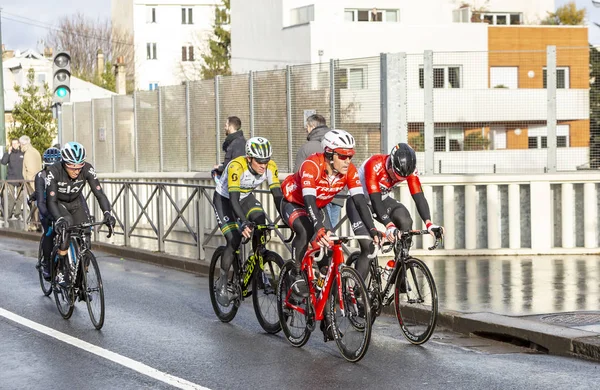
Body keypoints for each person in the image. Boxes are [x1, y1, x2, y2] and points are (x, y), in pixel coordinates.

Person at [280, 129, 381, 341]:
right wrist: (319, 230)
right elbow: (308, 201)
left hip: (319, 207)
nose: (347, 160)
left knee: (330, 263)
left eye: (350, 156)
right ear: (328, 154)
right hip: (294, 202)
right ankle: (296, 273)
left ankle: (328, 318)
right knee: (306, 230)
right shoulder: (311, 165)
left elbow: (360, 202)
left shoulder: (349, 171)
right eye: (342, 156)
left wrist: (372, 229)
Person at [347, 143, 443, 279]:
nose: (396, 180)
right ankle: (355, 295)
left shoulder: (410, 170)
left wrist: (429, 223)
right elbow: (375, 200)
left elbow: (419, 196)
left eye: (401, 179)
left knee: (405, 220)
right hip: (359, 202)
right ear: (391, 164)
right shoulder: (375, 164)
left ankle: (399, 273)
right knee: (369, 247)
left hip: (382, 199)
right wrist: (389, 225)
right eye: (395, 176)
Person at [212, 137, 283, 306]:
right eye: (259, 161)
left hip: (245, 198)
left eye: (266, 161)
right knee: (234, 239)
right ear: (249, 158)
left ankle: (256, 263)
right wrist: (243, 222)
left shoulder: (270, 167)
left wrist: (287, 217)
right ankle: (222, 281)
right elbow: (234, 200)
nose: (263, 165)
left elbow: (277, 195)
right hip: (225, 200)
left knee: (262, 224)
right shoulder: (237, 166)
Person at [46, 142, 116, 286]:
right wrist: (58, 219)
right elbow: (50, 201)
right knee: (67, 225)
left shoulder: (88, 169)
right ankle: (62, 271)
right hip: (59, 204)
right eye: (72, 167)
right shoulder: (54, 171)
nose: (77, 171)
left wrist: (108, 213)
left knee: (86, 236)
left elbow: (100, 194)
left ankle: (81, 280)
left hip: (76, 204)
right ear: (65, 163)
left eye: (79, 167)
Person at [293, 114, 344, 228]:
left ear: (312, 126)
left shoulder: (307, 148)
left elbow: (297, 175)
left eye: (307, 127)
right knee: (330, 234)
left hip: (317, 197)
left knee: (318, 234)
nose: (306, 130)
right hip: (337, 195)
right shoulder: (339, 144)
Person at [28, 147, 61, 280]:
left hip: (60, 205)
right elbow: (40, 197)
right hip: (45, 206)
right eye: (49, 168)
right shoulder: (41, 176)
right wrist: (47, 216)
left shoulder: (63, 174)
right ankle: (47, 263)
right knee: (49, 231)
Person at [20, 135, 42, 228]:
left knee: (33, 202)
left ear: (23, 144)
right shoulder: (36, 151)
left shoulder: (28, 153)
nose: (20, 146)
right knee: (38, 202)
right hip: (39, 180)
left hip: (32, 182)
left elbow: (30, 170)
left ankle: (35, 223)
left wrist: (28, 182)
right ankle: (37, 223)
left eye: (20, 144)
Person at [1, 139, 24, 219]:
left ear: (19, 144)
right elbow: (3, 162)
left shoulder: (22, 153)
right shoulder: (8, 153)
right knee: (10, 197)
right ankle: (9, 214)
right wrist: (8, 153)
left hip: (21, 179)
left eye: (15, 143)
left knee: (20, 197)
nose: (14, 145)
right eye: (12, 143)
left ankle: (17, 213)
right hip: (11, 179)